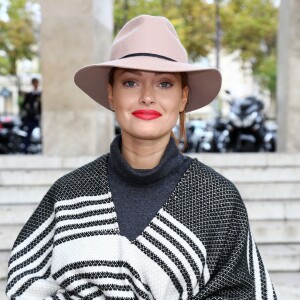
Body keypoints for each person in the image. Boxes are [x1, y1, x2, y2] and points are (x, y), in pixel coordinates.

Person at [6, 15, 277, 299]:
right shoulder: (68, 194)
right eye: (131, 82)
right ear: (111, 94)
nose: (147, 96)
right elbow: (24, 285)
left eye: (164, 84)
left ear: (183, 98)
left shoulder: (216, 198)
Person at [21, 78, 42, 153]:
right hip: (31, 118)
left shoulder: (40, 94)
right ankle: (25, 149)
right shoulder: (29, 94)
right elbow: (24, 105)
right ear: (33, 84)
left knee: (41, 134)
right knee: (29, 133)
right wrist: (29, 110)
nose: (36, 84)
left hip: (40, 117)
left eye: (37, 83)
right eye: (35, 83)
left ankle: (40, 149)